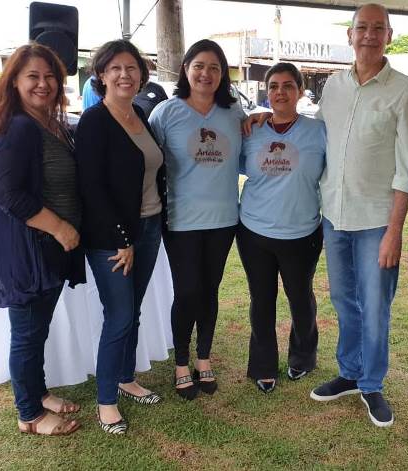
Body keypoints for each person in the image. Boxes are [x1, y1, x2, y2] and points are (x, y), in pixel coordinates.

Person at [308, 4, 408, 427]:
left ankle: (372, 383)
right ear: (350, 35)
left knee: (375, 305)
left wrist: (394, 232)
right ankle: (350, 372)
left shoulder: (404, 89)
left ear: (389, 36)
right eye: (362, 28)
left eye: (378, 29)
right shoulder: (333, 86)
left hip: (377, 220)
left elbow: (406, 167)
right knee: (342, 300)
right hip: (334, 214)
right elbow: (317, 136)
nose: (369, 35)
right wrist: (267, 120)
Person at [0, 43, 83, 435]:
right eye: (33, 77)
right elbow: (7, 194)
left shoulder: (48, 123)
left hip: (50, 251)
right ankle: (29, 414)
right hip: (29, 252)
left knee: (37, 329)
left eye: (50, 76)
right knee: (26, 333)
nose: (43, 84)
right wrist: (59, 227)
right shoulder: (18, 125)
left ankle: (37, 392)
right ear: (14, 82)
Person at [76, 39, 166, 434]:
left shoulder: (139, 115)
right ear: (101, 75)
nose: (124, 75)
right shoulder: (96, 120)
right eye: (115, 68)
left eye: (131, 68)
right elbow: (91, 187)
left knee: (135, 309)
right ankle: (106, 400)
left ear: (142, 75)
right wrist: (121, 239)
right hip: (114, 238)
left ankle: (126, 377)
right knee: (120, 315)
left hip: (149, 226)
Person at [149, 39, 244, 400]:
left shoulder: (233, 113)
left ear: (223, 75)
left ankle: (204, 358)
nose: (206, 73)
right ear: (186, 69)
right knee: (187, 290)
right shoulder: (166, 113)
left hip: (223, 219)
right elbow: (151, 165)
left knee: (209, 290)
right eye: (199, 66)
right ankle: (182, 363)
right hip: (180, 219)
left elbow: (251, 149)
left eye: (215, 67)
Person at [237, 63, 326, 393]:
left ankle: (303, 356)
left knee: (300, 298)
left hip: (301, 233)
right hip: (254, 231)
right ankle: (262, 365)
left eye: (288, 86)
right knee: (262, 299)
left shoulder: (319, 131)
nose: (280, 92)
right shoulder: (252, 130)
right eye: (273, 86)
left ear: (300, 92)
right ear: (266, 91)